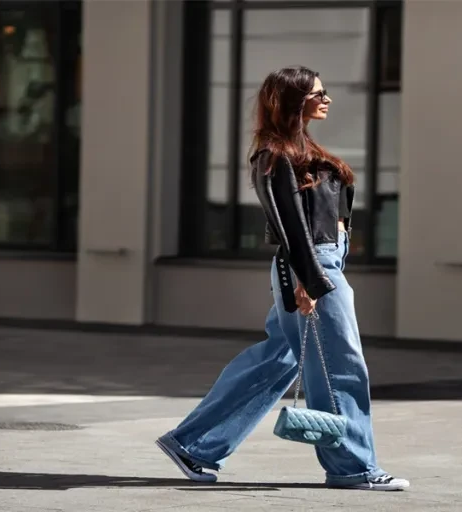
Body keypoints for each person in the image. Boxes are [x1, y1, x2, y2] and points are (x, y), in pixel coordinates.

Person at [155, 66, 409, 492]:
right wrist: (309, 281)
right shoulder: (274, 156)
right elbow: (289, 227)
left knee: (279, 360)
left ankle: (194, 444)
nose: (327, 98)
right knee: (340, 367)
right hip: (313, 266)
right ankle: (354, 468)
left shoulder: (303, 148)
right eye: (318, 93)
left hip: (324, 262)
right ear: (294, 101)